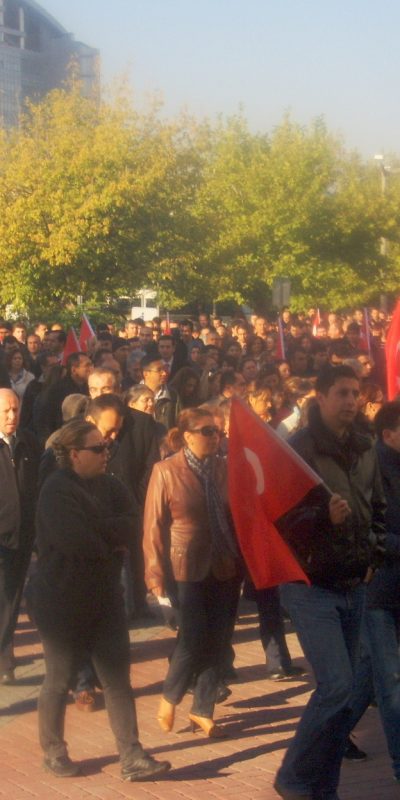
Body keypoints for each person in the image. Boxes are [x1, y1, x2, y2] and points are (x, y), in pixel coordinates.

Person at [27, 419, 170, 781]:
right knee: (59, 679)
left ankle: (132, 756)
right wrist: (109, 536)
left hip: (105, 596)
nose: (106, 453)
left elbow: (133, 522)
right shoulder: (56, 488)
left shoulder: (111, 484)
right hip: (61, 600)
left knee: (117, 680)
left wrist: (102, 531)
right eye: (97, 449)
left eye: (106, 447)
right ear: (74, 454)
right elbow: (77, 541)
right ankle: (53, 752)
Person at [274, 364, 386, 800]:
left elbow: (377, 506)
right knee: (337, 685)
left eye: (355, 393)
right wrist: (322, 515)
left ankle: (323, 786)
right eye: (341, 392)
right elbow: (280, 521)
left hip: (355, 581)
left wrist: (374, 555)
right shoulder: (297, 450)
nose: (351, 401)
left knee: (347, 693)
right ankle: (294, 776)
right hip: (310, 585)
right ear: (319, 396)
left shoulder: (365, 447)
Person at [143, 407, 241, 738]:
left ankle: (202, 709)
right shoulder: (166, 471)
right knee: (193, 635)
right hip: (186, 567)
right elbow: (153, 527)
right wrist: (155, 578)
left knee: (219, 637)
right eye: (207, 431)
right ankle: (170, 697)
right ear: (187, 436)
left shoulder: (225, 468)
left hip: (225, 563)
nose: (215, 438)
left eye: (218, 432)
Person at [0, 388, 41, 684]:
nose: (12, 416)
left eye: (15, 410)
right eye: (5, 411)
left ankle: (5, 656)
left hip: (21, 538)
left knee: (11, 600)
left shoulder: (28, 443)